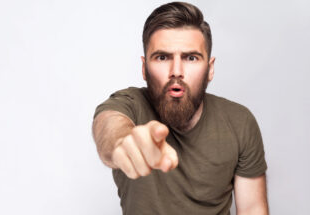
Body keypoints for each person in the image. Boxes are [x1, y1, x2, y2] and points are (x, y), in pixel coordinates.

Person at [92, 2, 268, 214]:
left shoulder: (240, 122)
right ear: (144, 68)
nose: (176, 71)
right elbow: (109, 126)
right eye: (162, 57)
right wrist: (122, 142)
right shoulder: (130, 103)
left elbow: (252, 208)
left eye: (191, 58)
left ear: (210, 69)